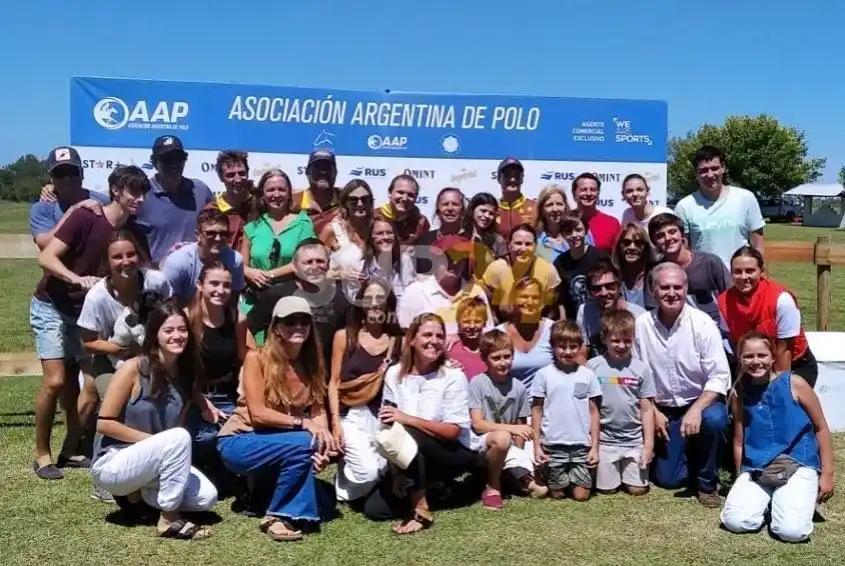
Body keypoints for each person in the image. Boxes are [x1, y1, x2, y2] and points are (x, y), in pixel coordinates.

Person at [32, 165, 150, 480]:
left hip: (86, 316)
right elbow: (46, 257)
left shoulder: (133, 231)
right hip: (52, 306)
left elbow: (146, 270)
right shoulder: (86, 216)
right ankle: (41, 454)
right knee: (56, 382)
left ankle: (70, 450)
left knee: (90, 389)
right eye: (132, 192)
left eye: (142, 192)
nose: (138, 198)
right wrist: (77, 279)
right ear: (116, 192)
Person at [92, 303, 218, 539]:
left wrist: (204, 405)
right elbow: (104, 423)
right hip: (113, 461)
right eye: (168, 330)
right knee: (179, 438)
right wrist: (157, 443)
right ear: (154, 335)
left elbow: (175, 428)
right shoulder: (133, 368)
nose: (177, 336)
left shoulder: (186, 374)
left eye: (182, 330)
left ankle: (137, 497)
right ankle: (168, 518)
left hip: (152, 462)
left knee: (206, 497)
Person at [217, 296, 336, 542]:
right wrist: (304, 426)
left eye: (304, 321)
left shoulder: (312, 362)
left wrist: (321, 447)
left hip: (280, 441)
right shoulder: (256, 359)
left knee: (327, 503)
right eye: (290, 321)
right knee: (304, 442)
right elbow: (258, 414)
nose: (298, 327)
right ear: (276, 327)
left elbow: (318, 410)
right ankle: (277, 517)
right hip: (240, 440)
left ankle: (259, 495)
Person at [361, 313, 476, 535]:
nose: (434, 341)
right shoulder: (394, 374)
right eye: (427, 334)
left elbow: (453, 432)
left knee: (408, 432)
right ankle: (437, 487)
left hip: (453, 452)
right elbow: (387, 426)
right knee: (374, 509)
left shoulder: (453, 376)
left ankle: (421, 509)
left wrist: (407, 418)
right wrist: (395, 474)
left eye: (440, 336)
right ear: (411, 339)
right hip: (409, 454)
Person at [720, 332, 834, 543]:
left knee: (792, 531)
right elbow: (738, 439)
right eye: (748, 356)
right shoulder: (739, 392)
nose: (756, 362)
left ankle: (790, 500)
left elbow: (821, 428)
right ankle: (770, 500)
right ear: (740, 359)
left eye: (762, 355)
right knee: (735, 521)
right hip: (758, 466)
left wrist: (827, 474)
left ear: (773, 357)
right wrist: (740, 475)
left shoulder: (795, 383)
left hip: (797, 461)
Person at [634, 263, 730, 507]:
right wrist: (652, 411)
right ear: (653, 290)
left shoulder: (703, 323)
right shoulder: (641, 326)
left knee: (716, 420)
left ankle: (707, 482)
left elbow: (720, 376)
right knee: (668, 480)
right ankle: (694, 453)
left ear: (686, 288)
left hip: (701, 402)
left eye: (677, 287)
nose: (671, 293)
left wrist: (696, 409)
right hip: (663, 409)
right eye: (664, 287)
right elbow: (636, 376)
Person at [329, 278, 401, 502]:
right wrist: (335, 423)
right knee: (369, 472)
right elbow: (333, 382)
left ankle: (370, 480)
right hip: (352, 415)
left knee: (388, 467)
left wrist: (450, 363)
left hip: (383, 417)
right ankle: (342, 486)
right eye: (368, 298)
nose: (374, 304)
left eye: (380, 299)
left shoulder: (397, 341)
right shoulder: (344, 337)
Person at [185, 262, 248, 490]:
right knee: (203, 438)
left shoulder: (237, 319)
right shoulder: (186, 319)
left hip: (228, 395)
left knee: (236, 438)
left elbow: (244, 360)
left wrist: (244, 397)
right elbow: (179, 372)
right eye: (214, 283)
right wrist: (202, 404)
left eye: (226, 285)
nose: (220, 290)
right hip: (192, 395)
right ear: (200, 285)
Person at [469, 329, 548, 509]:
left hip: (509, 447)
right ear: (484, 358)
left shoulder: (518, 387)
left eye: (507, 356)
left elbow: (521, 426)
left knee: (541, 490)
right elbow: (478, 424)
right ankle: (493, 486)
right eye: (496, 358)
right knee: (503, 437)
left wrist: (518, 454)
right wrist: (511, 430)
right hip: (483, 445)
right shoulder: (478, 383)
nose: (503, 363)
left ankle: (511, 475)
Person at [719, 246, 818, 386]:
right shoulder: (723, 301)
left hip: (793, 365)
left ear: (761, 272)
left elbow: (784, 352)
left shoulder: (782, 300)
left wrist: (780, 390)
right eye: (737, 272)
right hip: (753, 365)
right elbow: (735, 344)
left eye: (750, 271)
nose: (743, 277)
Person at [246, 239, 350, 371]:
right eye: (308, 262)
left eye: (320, 261)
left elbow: (349, 339)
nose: (314, 266)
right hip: (281, 375)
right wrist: (254, 361)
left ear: (328, 264)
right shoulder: (276, 295)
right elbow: (248, 327)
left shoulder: (342, 297)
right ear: (294, 266)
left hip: (324, 378)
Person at [587, 310, 655, 496]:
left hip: (633, 440)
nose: (621, 345)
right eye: (615, 340)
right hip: (606, 440)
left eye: (627, 341)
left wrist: (648, 446)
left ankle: (631, 471)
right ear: (604, 339)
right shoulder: (593, 367)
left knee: (637, 490)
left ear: (633, 339)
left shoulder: (641, 369)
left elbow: (647, 410)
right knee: (607, 490)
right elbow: (587, 407)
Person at [531, 320, 601, 501]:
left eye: (573, 346)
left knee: (581, 496)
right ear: (552, 346)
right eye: (562, 347)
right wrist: (537, 445)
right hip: (553, 444)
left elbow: (594, 412)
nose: (568, 352)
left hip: (580, 445)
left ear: (580, 347)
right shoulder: (543, 375)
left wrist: (594, 447)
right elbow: (537, 410)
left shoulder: (588, 375)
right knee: (558, 495)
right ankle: (549, 474)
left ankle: (575, 476)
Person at [673, 145, 766, 267]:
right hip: (704, 280)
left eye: (714, 168)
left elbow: (758, 246)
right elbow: (683, 252)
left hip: (740, 278)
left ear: (723, 168)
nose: (710, 175)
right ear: (696, 174)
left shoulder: (746, 198)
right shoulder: (684, 206)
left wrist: (762, 275)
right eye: (704, 170)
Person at [240, 169, 315, 313]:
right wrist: (249, 272)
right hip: (255, 301)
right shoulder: (251, 227)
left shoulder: (303, 223)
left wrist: (268, 275)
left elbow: (305, 262)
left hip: (291, 299)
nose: (276, 194)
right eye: (270, 190)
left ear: (289, 194)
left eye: (281, 189)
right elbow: (242, 265)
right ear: (262, 195)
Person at [135, 135, 215, 265]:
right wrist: (89, 200)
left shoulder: (201, 190)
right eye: (167, 159)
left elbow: (217, 227)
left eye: (179, 158)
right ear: (154, 162)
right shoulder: (141, 194)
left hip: (196, 273)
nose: (174, 164)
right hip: (156, 275)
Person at [397, 235, 494, 337]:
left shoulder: (476, 292)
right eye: (448, 257)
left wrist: (460, 339)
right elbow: (406, 332)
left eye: (460, 257)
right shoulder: (415, 291)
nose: (455, 262)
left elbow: (488, 332)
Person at [647, 213, 730, 329]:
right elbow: (652, 308)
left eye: (672, 232)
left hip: (714, 328)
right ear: (655, 242)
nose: (668, 238)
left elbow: (731, 299)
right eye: (660, 235)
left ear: (682, 234)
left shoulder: (710, 262)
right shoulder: (655, 270)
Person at [160, 208, 246, 307]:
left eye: (223, 234)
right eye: (211, 233)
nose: (218, 238)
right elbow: (170, 307)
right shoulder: (177, 262)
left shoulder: (235, 261)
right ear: (198, 235)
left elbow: (232, 305)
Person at [31, 146, 109, 252]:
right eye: (60, 173)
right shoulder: (42, 207)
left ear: (82, 173)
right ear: (51, 178)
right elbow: (45, 244)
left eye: (72, 172)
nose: (67, 178)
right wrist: (73, 210)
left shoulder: (104, 201)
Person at [482, 223, 561, 319]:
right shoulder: (496, 269)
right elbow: (489, 307)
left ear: (535, 247)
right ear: (509, 245)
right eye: (518, 243)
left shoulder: (548, 270)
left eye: (528, 244)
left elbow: (553, 308)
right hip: (505, 324)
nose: (523, 248)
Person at [576, 261, 646, 360]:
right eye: (597, 288)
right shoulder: (585, 311)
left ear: (619, 286)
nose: (604, 293)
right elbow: (583, 349)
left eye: (610, 286)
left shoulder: (639, 315)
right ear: (590, 292)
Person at [496, 277, 554, 392]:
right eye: (524, 297)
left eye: (535, 298)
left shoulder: (554, 330)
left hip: (547, 404)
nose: (530, 302)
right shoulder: (498, 333)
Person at [554, 211, 611, 321]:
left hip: (601, 318)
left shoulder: (600, 256)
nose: (574, 235)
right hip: (574, 321)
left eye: (578, 230)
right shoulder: (560, 262)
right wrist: (563, 320)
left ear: (586, 230)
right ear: (563, 234)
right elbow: (561, 298)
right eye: (568, 231)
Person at [321, 180, 373, 296]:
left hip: (372, 303)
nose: (360, 204)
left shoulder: (377, 231)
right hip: (339, 300)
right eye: (353, 200)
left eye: (364, 199)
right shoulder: (332, 230)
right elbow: (314, 272)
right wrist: (341, 275)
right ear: (345, 203)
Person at [207, 150, 255, 251]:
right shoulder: (212, 210)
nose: (237, 179)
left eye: (241, 173)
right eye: (230, 175)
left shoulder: (259, 204)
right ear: (221, 178)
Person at [358, 218, 416, 300]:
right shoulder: (361, 266)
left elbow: (410, 296)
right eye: (379, 233)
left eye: (389, 233)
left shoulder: (404, 261)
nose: (385, 237)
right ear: (371, 238)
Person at [415, 187, 465, 274]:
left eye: (455, 204)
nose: (450, 208)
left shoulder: (470, 240)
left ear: (463, 210)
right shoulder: (424, 240)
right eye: (445, 204)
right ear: (438, 211)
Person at [293, 149, 341, 236]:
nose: (323, 172)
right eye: (318, 168)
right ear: (307, 172)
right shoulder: (294, 203)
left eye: (328, 168)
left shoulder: (346, 199)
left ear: (335, 173)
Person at [570, 173, 621, 254]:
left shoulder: (612, 223)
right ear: (574, 193)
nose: (588, 193)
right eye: (583, 189)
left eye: (593, 190)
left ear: (598, 193)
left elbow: (618, 257)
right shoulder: (565, 220)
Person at [374, 174, 430, 246]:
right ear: (389, 193)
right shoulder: (374, 217)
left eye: (410, 195)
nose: (405, 198)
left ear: (416, 198)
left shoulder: (421, 222)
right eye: (400, 192)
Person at [463, 192, 507, 279]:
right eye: (483, 211)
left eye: (491, 213)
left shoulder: (497, 240)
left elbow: (503, 271)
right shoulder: (460, 234)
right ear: (472, 209)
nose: (487, 216)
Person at [612, 223, 655, 309]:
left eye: (638, 243)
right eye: (626, 242)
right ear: (619, 246)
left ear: (646, 247)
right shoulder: (612, 275)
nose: (632, 247)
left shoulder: (654, 275)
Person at [446, 296, 489, 380]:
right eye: (466, 322)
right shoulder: (450, 348)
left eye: (477, 321)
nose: (472, 326)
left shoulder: (491, 347)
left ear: (485, 323)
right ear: (458, 323)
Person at [494, 157, 537, 239]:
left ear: (522, 179)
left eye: (517, 175)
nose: (512, 179)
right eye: (507, 175)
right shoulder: (492, 210)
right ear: (499, 179)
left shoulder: (535, 207)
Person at [535, 184, 574, 263]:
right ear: (542, 210)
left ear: (566, 207)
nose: (555, 209)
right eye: (549, 205)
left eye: (559, 204)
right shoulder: (536, 239)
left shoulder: (578, 232)